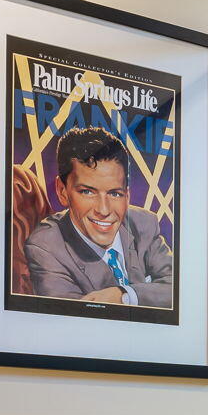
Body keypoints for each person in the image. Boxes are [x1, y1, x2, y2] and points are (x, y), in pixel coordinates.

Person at [18, 126, 173, 308]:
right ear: (62, 191)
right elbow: (71, 315)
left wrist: (125, 295)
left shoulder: (144, 223)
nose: (104, 210)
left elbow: (179, 289)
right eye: (87, 192)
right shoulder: (46, 245)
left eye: (115, 193)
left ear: (127, 195)